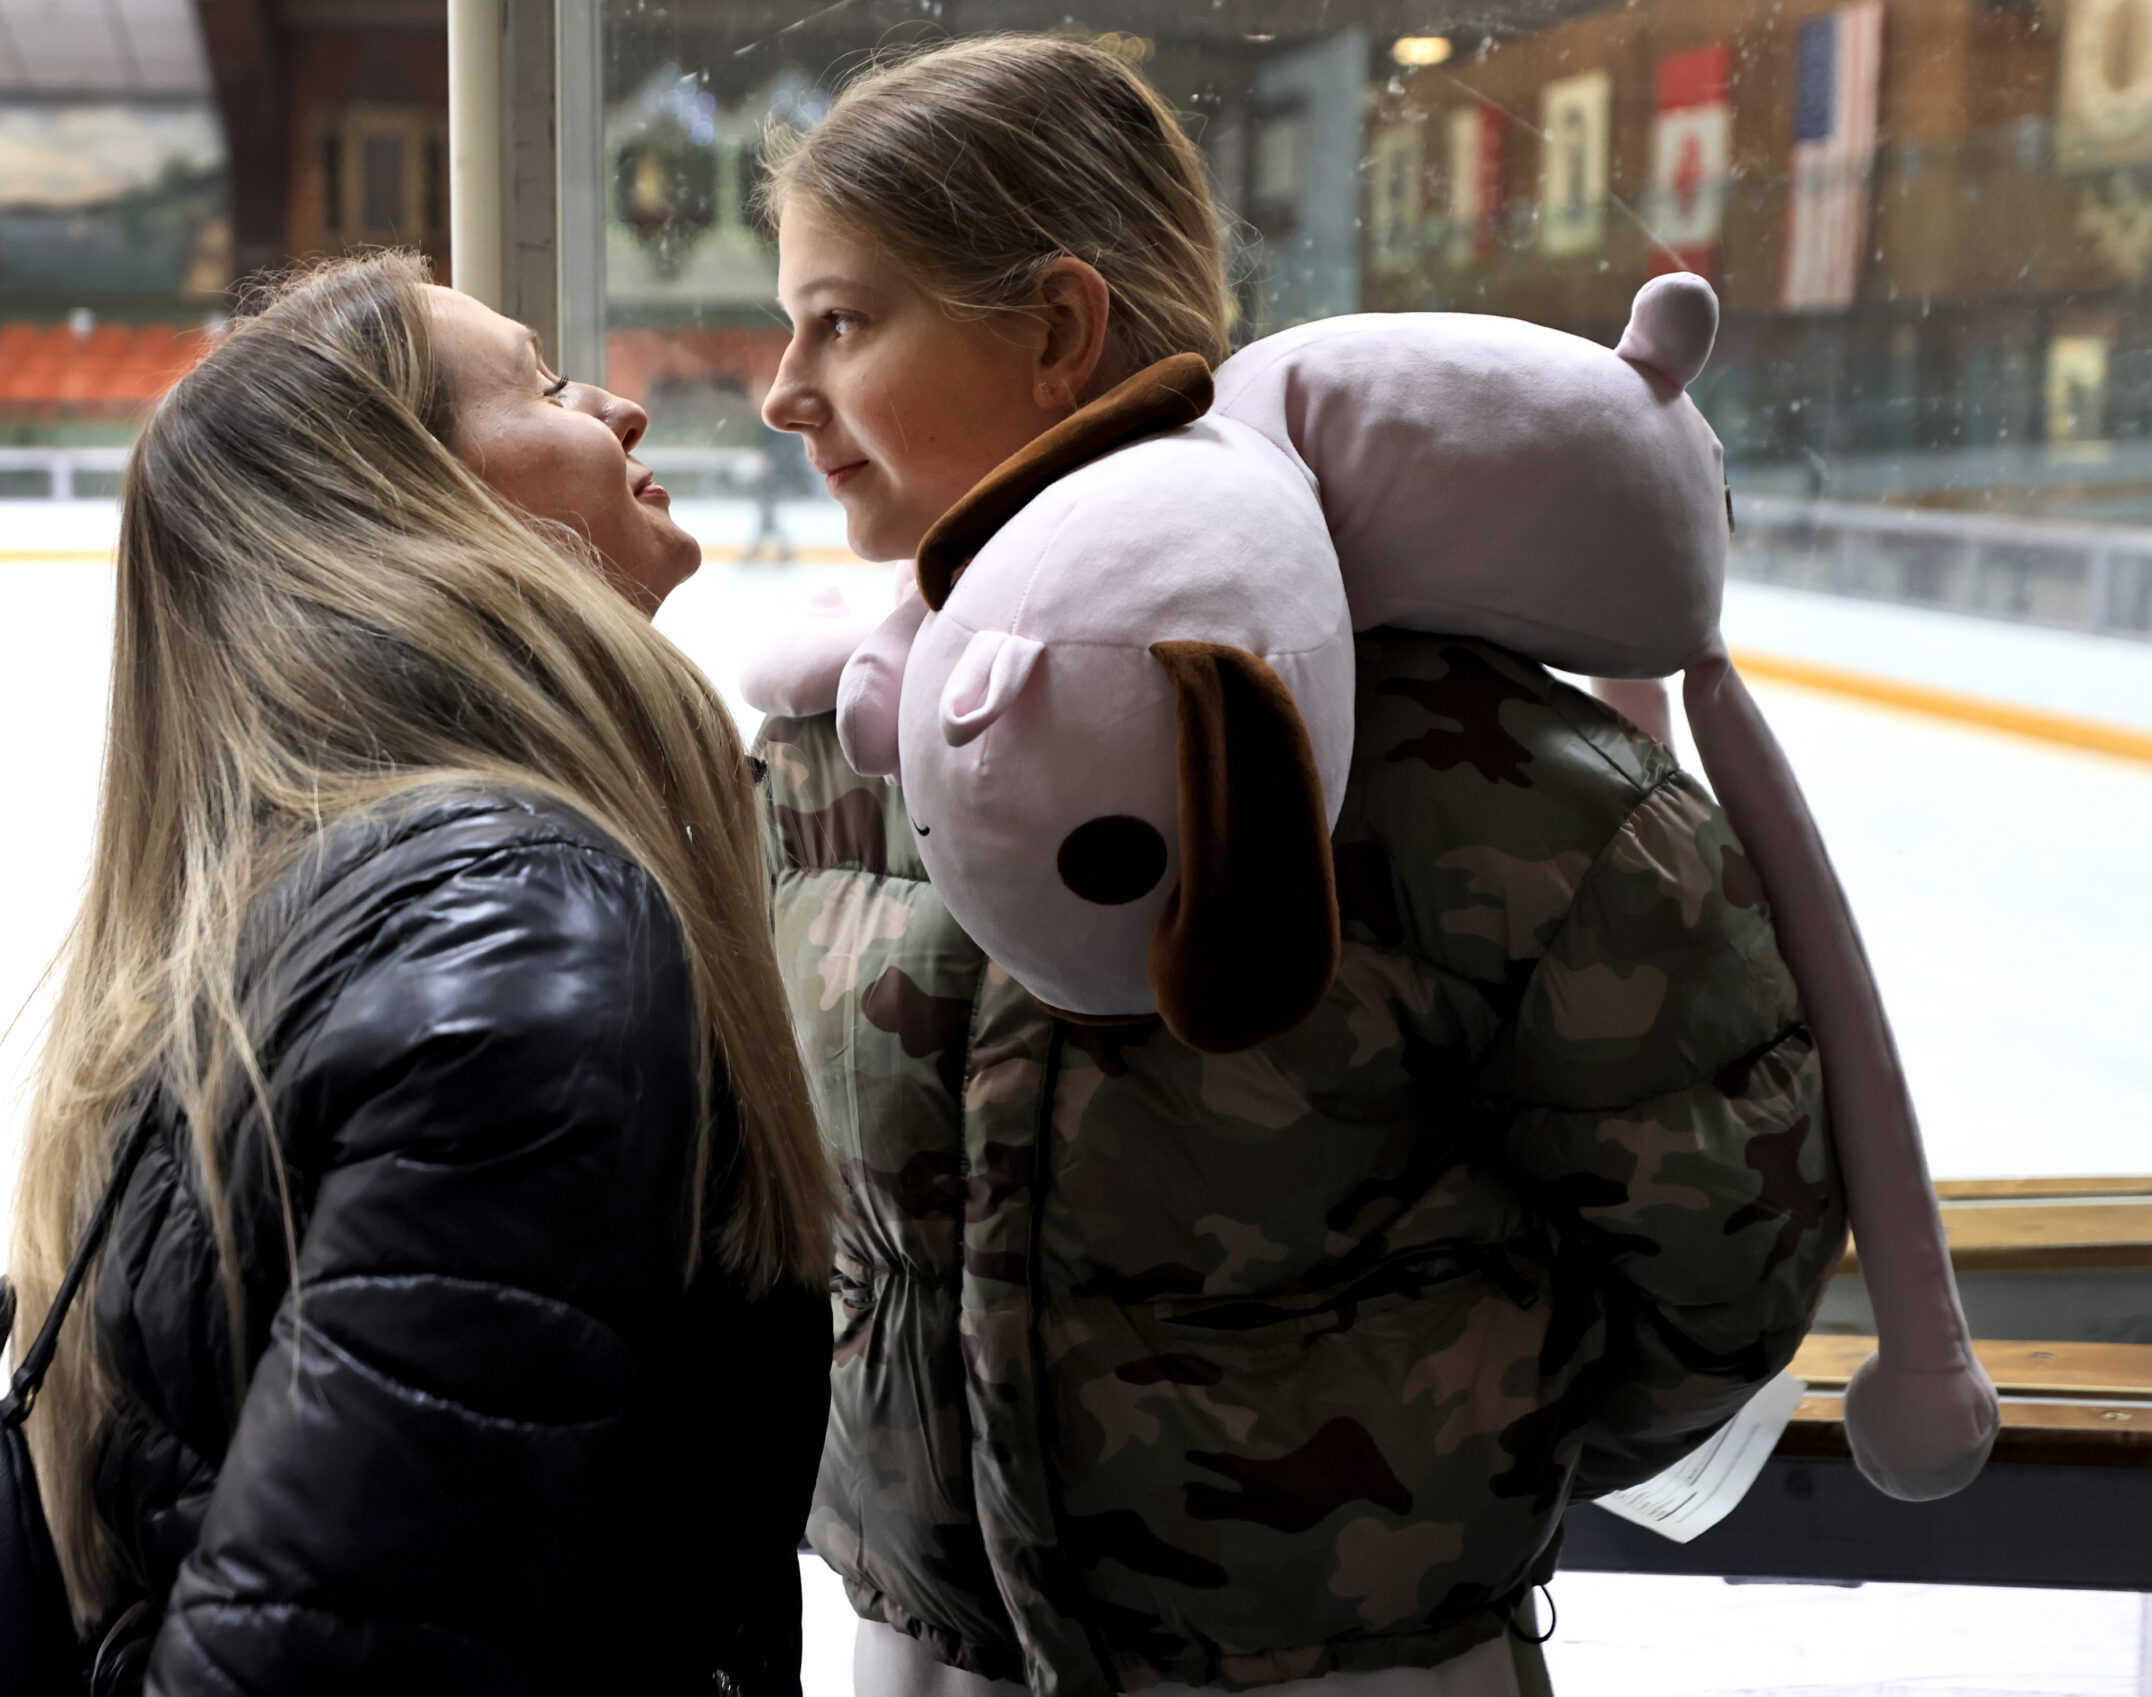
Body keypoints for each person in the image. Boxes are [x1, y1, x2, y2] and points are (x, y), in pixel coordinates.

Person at [753, 37, 1845, 1697]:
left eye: (841, 319)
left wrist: (1429, 1496)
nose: (782, 388)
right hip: (932, 1658)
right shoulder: (833, 753)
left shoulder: (1448, 768)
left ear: (1057, 330)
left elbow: (1722, 1240)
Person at [6, 253, 839, 1695]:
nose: (623, 407)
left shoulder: (323, 903)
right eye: (544, 383)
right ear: (408, 507)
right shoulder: (520, 935)